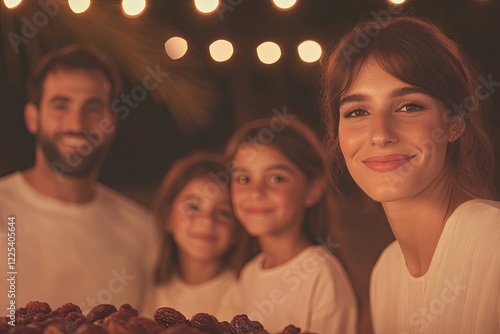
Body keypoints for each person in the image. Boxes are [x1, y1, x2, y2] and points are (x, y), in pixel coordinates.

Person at [320, 15, 500, 334]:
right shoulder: (385, 273)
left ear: (455, 122)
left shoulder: (492, 242)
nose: (380, 134)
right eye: (357, 112)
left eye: (409, 107)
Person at [0, 45, 159, 314]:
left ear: (111, 121)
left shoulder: (143, 231)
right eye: (61, 105)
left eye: (93, 107)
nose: (77, 123)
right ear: (32, 117)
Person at [224, 117, 357, 334]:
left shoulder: (320, 274)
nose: (256, 192)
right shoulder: (249, 274)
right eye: (244, 179)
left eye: (276, 178)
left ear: (312, 189)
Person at [143, 151, 250, 321]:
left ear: (238, 231)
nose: (207, 221)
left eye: (224, 212)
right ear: (168, 217)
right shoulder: (145, 287)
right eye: (193, 207)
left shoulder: (245, 294)